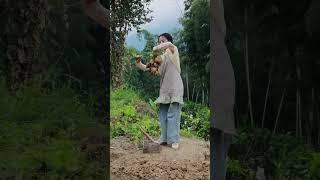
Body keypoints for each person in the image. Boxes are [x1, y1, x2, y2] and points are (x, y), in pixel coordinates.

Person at [135, 33, 184, 149]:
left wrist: (156, 48)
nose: (160, 43)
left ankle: (174, 140)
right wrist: (138, 63)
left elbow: (169, 45)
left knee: (173, 114)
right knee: (163, 114)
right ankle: (164, 138)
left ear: (168, 41)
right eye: (159, 41)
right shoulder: (160, 59)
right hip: (164, 90)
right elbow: (148, 68)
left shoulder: (173, 51)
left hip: (175, 87)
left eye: (163, 41)